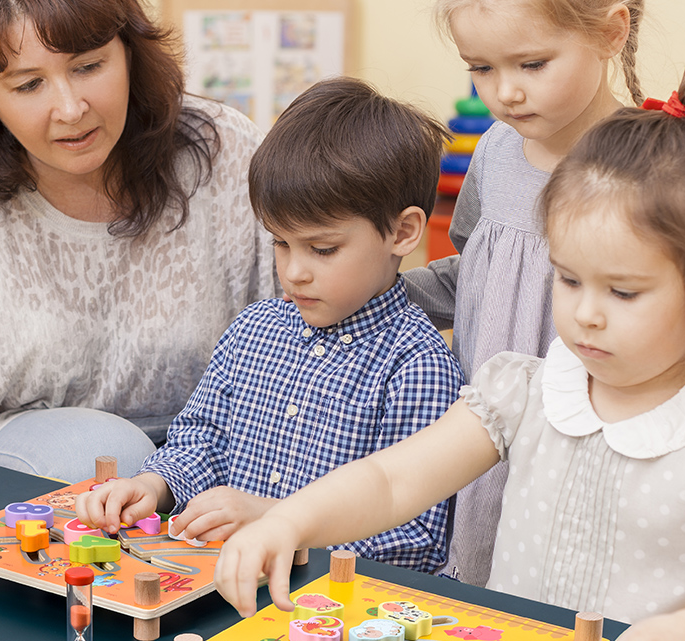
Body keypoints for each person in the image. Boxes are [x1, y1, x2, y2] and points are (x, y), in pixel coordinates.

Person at [213, 68, 685, 641]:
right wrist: (289, 519)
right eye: (567, 279)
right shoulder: (523, 390)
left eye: (623, 291)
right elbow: (393, 481)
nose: (586, 314)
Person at [76, 77, 464, 572]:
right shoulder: (254, 329)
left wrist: (285, 523)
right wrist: (153, 486)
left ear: (403, 232)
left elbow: (417, 537)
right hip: (220, 581)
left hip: (324, 603)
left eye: (322, 249)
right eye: (281, 242)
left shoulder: (418, 365)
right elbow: (202, 441)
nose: (294, 271)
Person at [0, 0, 276, 483]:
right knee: (107, 459)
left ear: (129, 53)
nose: (70, 109)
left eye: (88, 67)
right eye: (29, 85)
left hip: (208, 453)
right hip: (5, 463)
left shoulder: (225, 150)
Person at [403, 0, 647, 586]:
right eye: (481, 68)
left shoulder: (655, 166)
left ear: (611, 32)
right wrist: (371, 291)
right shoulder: (493, 151)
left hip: (590, 445)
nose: (505, 93)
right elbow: (473, 276)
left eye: (532, 64)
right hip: (482, 436)